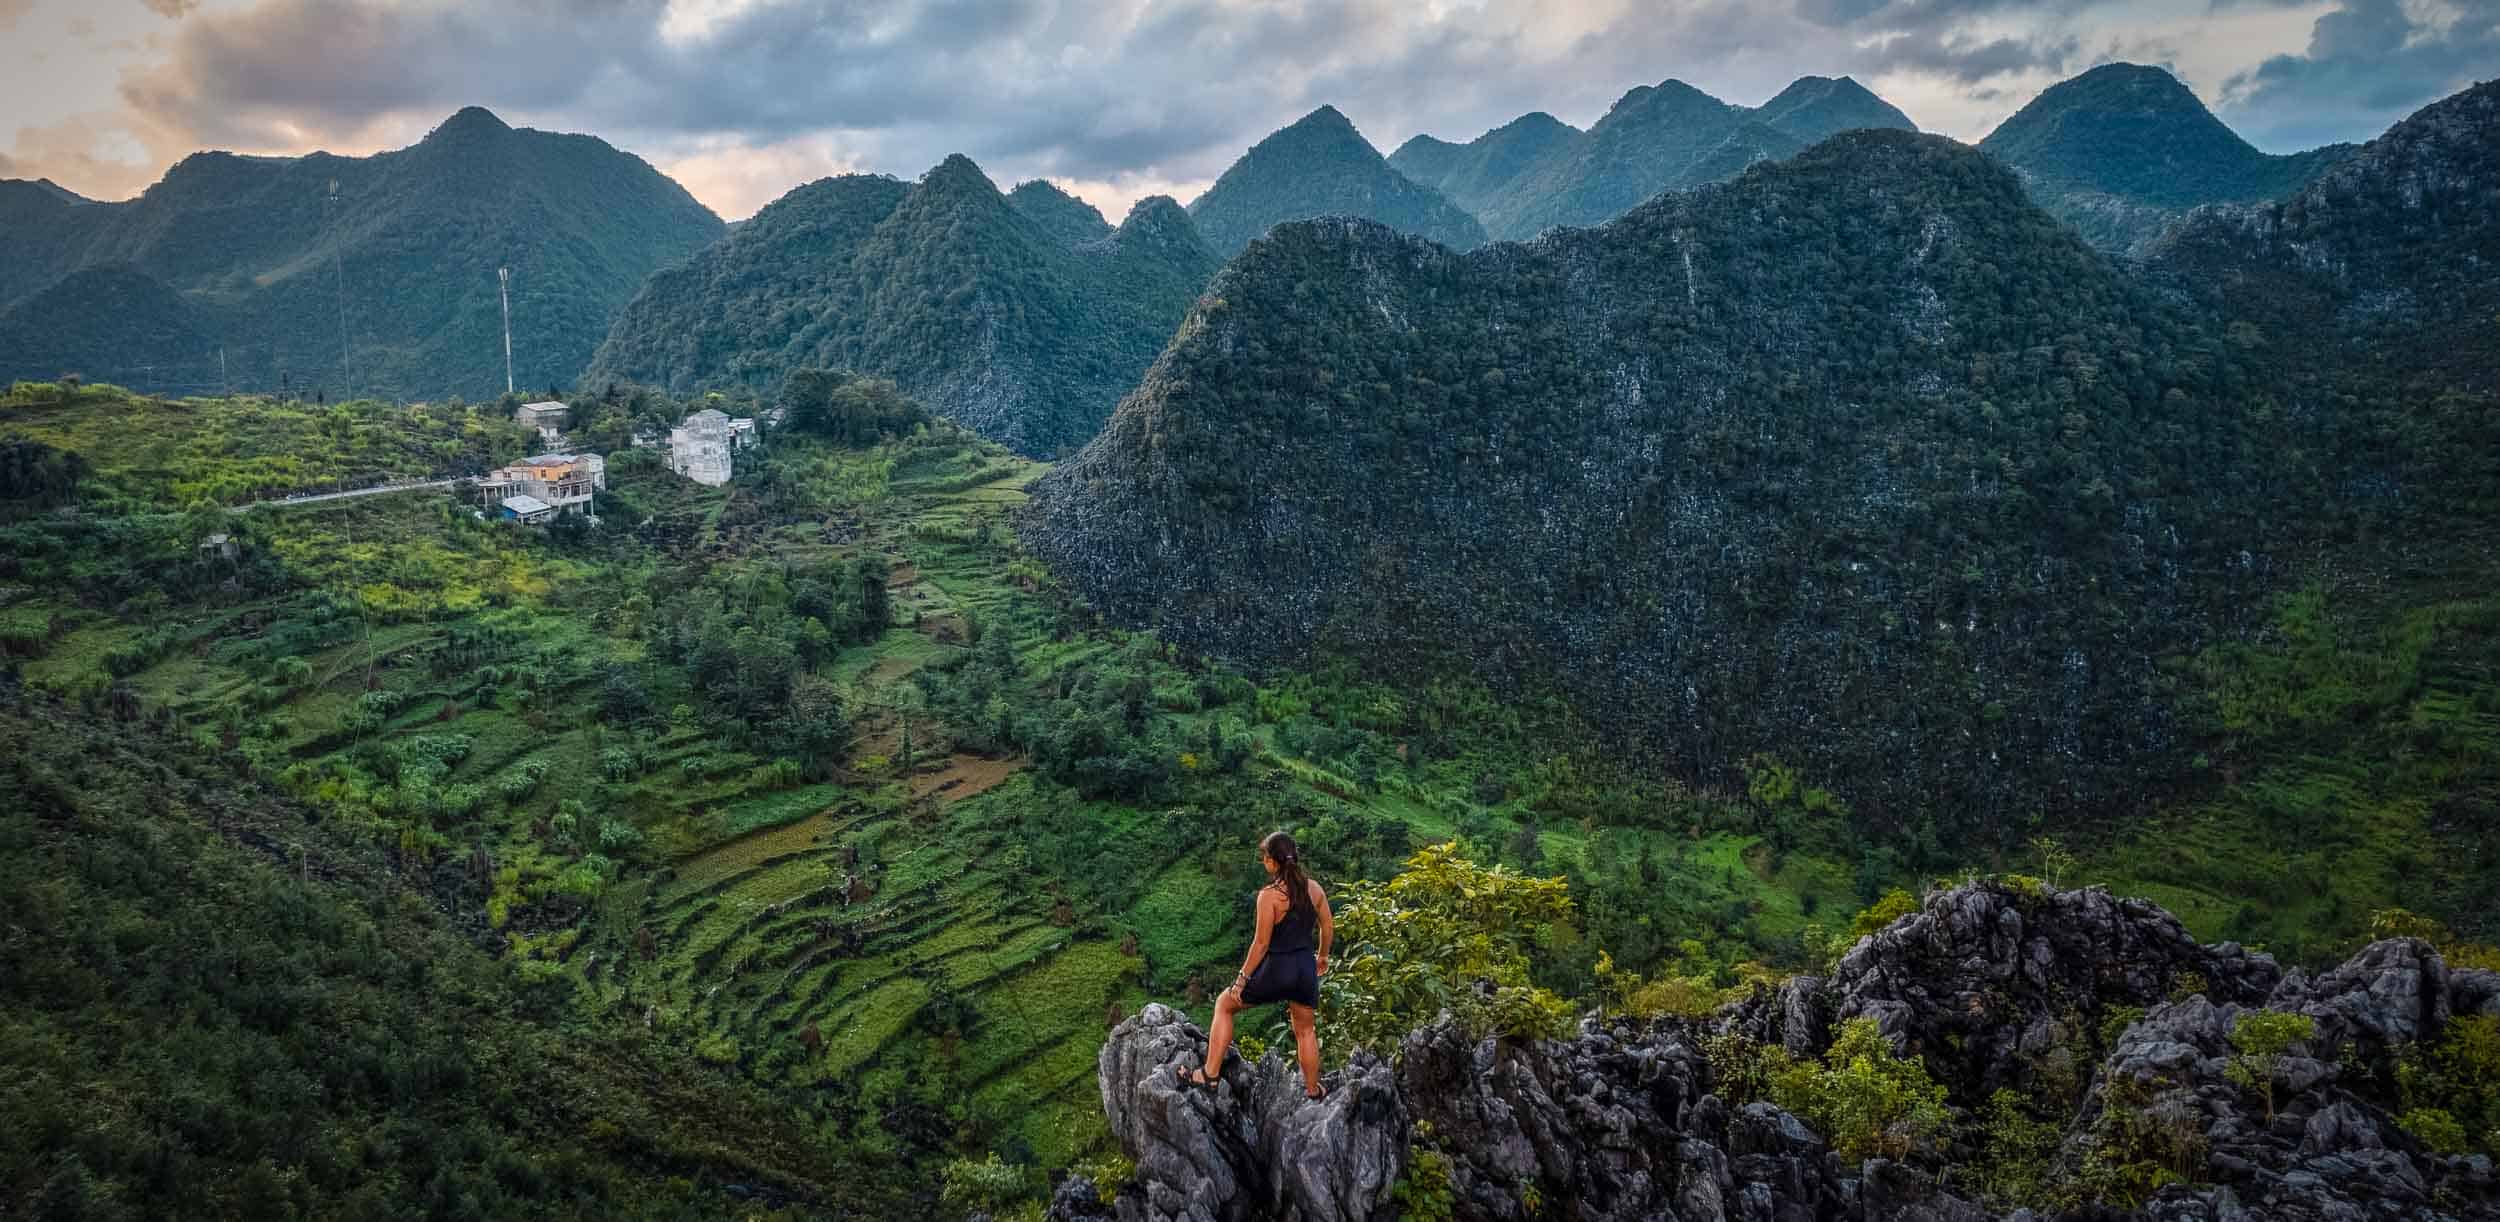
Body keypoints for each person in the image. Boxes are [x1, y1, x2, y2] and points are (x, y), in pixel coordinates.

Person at [1177, 831, 1334, 1099]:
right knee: (1306, 1030)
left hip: (1278, 969)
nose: (1263, 862)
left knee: (1225, 1005)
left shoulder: (1269, 896)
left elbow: (1261, 944)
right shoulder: (1315, 889)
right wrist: (1322, 956)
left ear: (1274, 862)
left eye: (1265, 858)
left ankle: (1209, 1075)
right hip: (1305, 969)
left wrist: (1241, 979)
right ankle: (1312, 1090)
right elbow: (1327, 925)